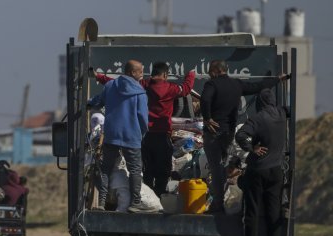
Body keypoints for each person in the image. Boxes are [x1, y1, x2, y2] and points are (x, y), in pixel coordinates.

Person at [94, 62, 195, 196]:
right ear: (165, 75)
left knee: (146, 168)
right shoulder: (171, 88)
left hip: (145, 135)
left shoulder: (143, 85)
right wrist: (191, 74)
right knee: (163, 168)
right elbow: (187, 88)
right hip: (163, 135)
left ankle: (146, 195)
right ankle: (159, 195)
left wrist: (99, 77)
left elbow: (114, 83)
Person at [200, 60, 287, 213]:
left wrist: (207, 118)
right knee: (221, 166)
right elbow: (258, 86)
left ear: (215, 70)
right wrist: (277, 79)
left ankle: (218, 204)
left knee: (216, 168)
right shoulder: (237, 84)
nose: (208, 74)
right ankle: (219, 201)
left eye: (209, 71)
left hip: (213, 133)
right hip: (228, 133)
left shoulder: (211, 85)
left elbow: (205, 99)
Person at [88, 60, 151, 212]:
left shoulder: (110, 86)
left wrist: (87, 103)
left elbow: (97, 102)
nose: (142, 74)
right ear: (131, 72)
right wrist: (141, 134)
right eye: (140, 71)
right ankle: (135, 203)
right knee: (135, 169)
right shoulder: (141, 93)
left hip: (111, 134)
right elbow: (143, 118)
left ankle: (101, 203)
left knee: (105, 169)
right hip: (132, 136)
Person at [234, 89, 287, 236]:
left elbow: (241, 135)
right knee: (274, 212)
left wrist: (252, 148)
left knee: (252, 211)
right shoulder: (281, 113)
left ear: (259, 102)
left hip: (257, 171)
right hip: (276, 171)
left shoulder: (257, 118)